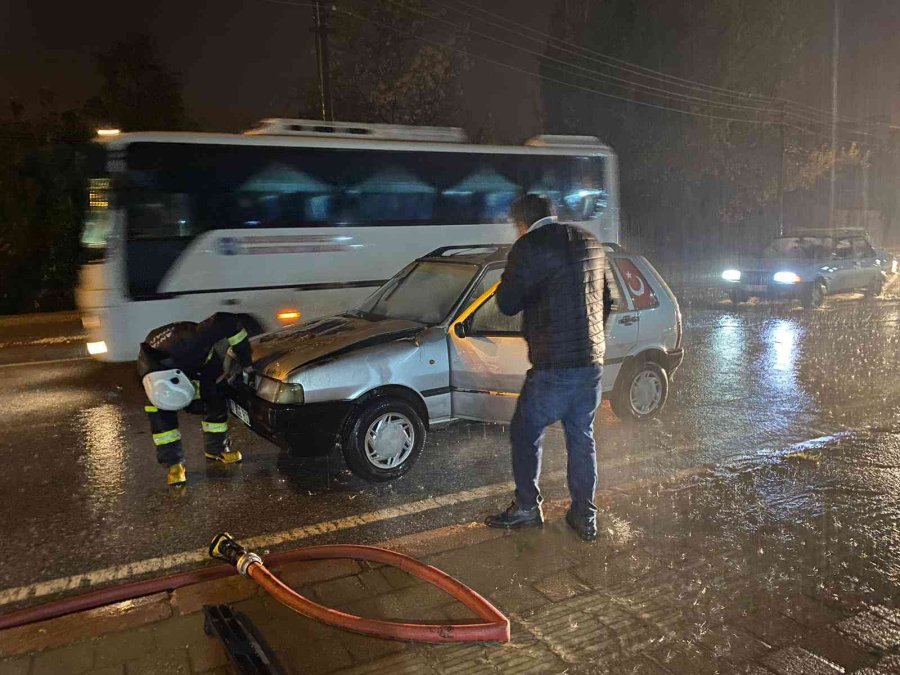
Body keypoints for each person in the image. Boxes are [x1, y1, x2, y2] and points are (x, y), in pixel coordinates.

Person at [485, 194, 611, 541]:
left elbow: (507, 304)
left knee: (525, 431)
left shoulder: (528, 247)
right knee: (581, 438)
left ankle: (527, 507)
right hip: (591, 364)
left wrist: (513, 270)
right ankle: (584, 516)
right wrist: (593, 344)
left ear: (521, 223)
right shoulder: (590, 241)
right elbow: (607, 300)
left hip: (553, 365)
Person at [137, 313, 253, 487]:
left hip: (197, 359)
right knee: (161, 418)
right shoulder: (151, 380)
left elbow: (227, 321)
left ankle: (217, 449)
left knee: (215, 395)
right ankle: (174, 464)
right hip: (175, 367)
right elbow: (162, 430)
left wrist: (245, 361)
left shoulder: (195, 340)